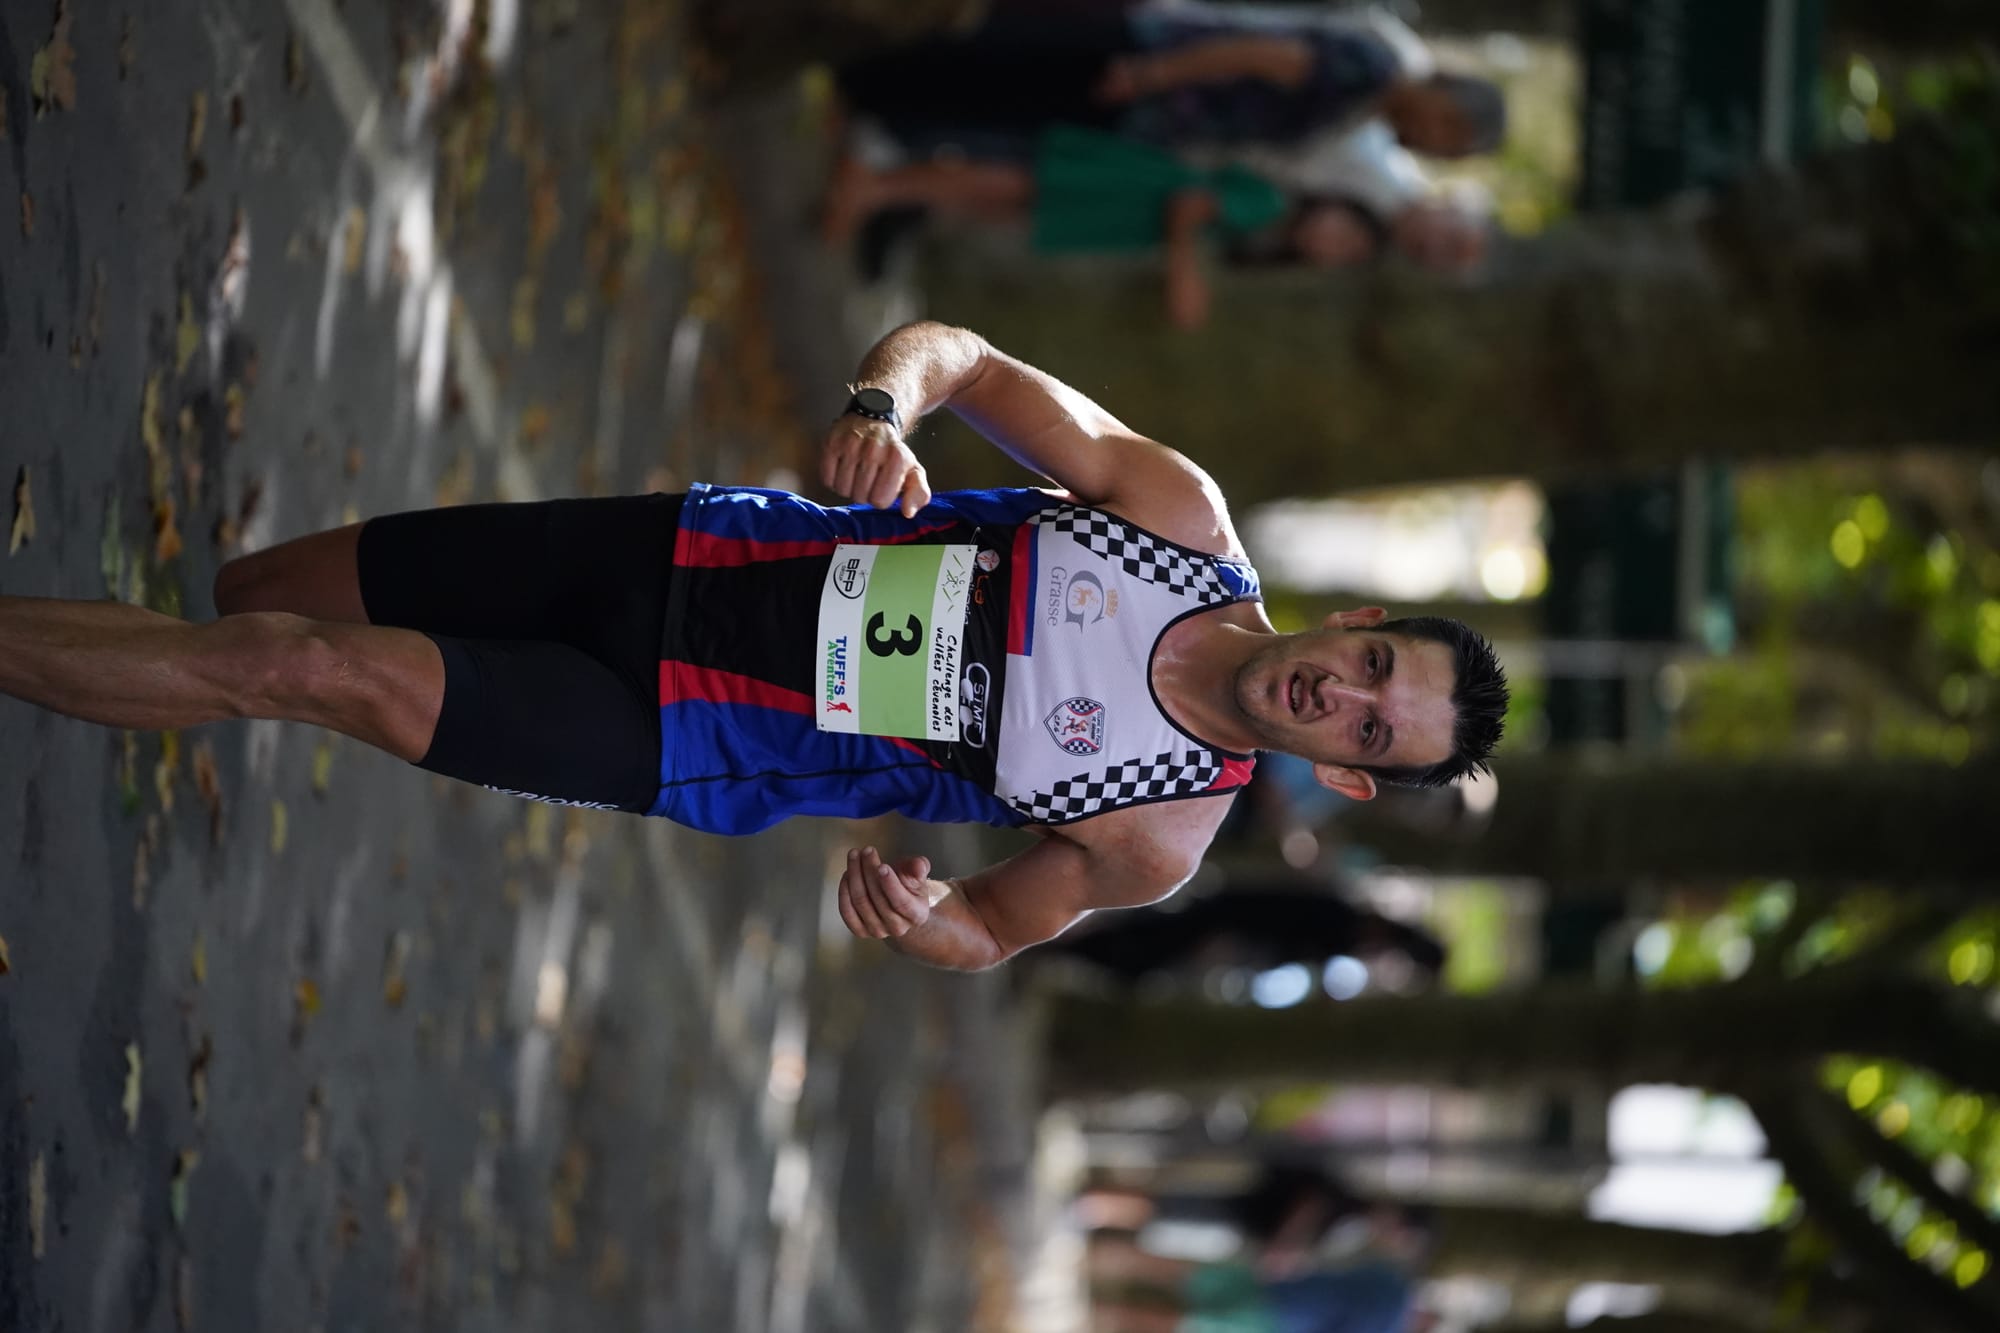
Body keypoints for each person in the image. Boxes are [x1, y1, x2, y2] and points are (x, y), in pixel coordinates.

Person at [0, 322, 1507, 969]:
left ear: (1353, 777)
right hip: (680, 548)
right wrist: (882, 412)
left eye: (1373, 731)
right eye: (1377, 669)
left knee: (293, 668)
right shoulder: (1175, 518)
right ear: (1362, 627)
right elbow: (963, 357)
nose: (1344, 697)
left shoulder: (1158, 832)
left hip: (675, 735)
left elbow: (990, 929)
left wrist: (925, 921)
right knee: (255, 592)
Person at [822, 126, 1384, 328]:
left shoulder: (1266, 227)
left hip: (1117, 210)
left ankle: (882, 184)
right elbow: (1190, 204)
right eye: (1344, 233)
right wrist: (1185, 275)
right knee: (1002, 183)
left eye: (1342, 253)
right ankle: (874, 184)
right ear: (1335, 205)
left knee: (1000, 200)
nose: (1330, 245)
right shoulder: (1269, 202)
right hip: (1125, 184)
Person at [836, 10, 1506, 164]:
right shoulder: (1371, 67)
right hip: (1143, 62)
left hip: (1147, 101)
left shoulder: (1361, 108)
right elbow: (1261, 55)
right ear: (1445, 93)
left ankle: (866, 82)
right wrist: (1152, 74)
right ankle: (858, 61)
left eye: (1445, 148)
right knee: (995, 64)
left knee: (999, 95)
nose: (1430, 141)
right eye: (1447, 128)